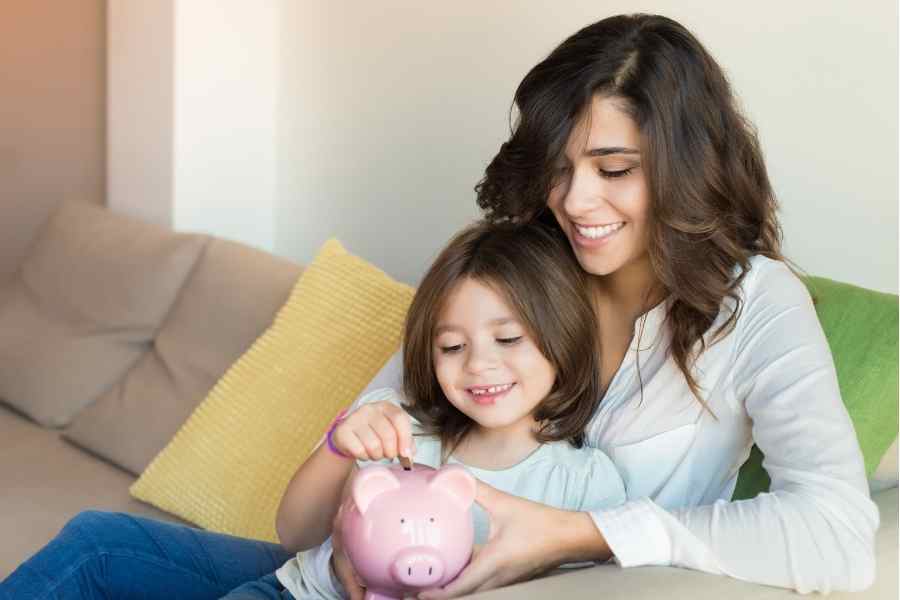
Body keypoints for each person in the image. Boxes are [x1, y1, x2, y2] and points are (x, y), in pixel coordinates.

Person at [0, 12, 878, 600]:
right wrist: (350, 516)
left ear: (687, 163)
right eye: (560, 168)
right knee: (95, 547)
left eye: (615, 169)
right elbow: (379, 430)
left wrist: (578, 533)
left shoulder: (753, 307)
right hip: (348, 576)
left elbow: (836, 532)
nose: (576, 202)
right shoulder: (520, 266)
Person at [270, 222, 625, 599]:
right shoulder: (393, 424)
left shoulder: (583, 482)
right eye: (453, 346)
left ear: (564, 336)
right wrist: (337, 449)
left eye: (507, 339)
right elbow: (294, 535)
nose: (478, 364)